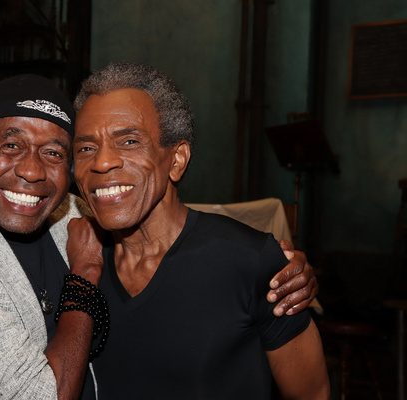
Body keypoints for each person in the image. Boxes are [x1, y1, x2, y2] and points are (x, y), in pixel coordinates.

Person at [0, 74, 318, 399]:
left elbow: (169, 223)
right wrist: (86, 271)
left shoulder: (75, 214)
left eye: (55, 152)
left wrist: (266, 258)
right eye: (11, 145)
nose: (32, 170)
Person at [71, 62, 329, 399]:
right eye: (85, 148)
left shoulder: (249, 261)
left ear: (176, 160)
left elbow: (312, 395)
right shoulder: (75, 260)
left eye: (129, 141)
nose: (102, 162)